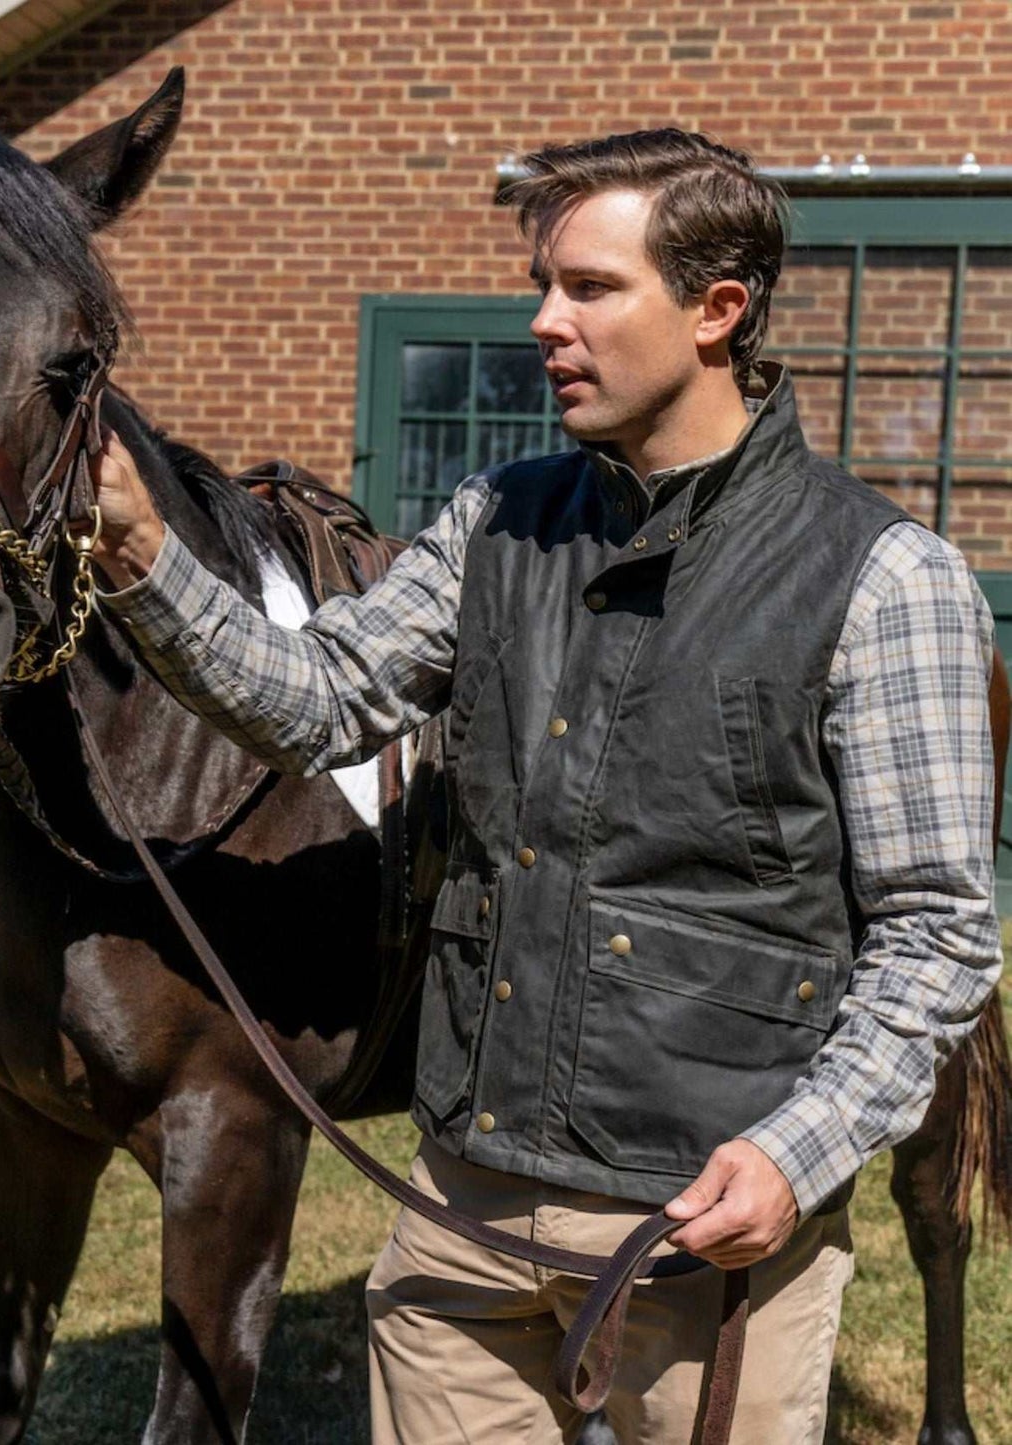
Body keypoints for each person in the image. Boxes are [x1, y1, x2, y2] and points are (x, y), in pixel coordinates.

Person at [86, 129, 1002, 1443]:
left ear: (715, 310)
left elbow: (935, 928)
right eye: (541, 283)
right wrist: (142, 554)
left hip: (705, 1230)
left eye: (587, 286)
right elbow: (319, 697)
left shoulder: (885, 577)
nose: (541, 321)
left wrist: (793, 1155)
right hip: (460, 1217)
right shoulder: (494, 520)